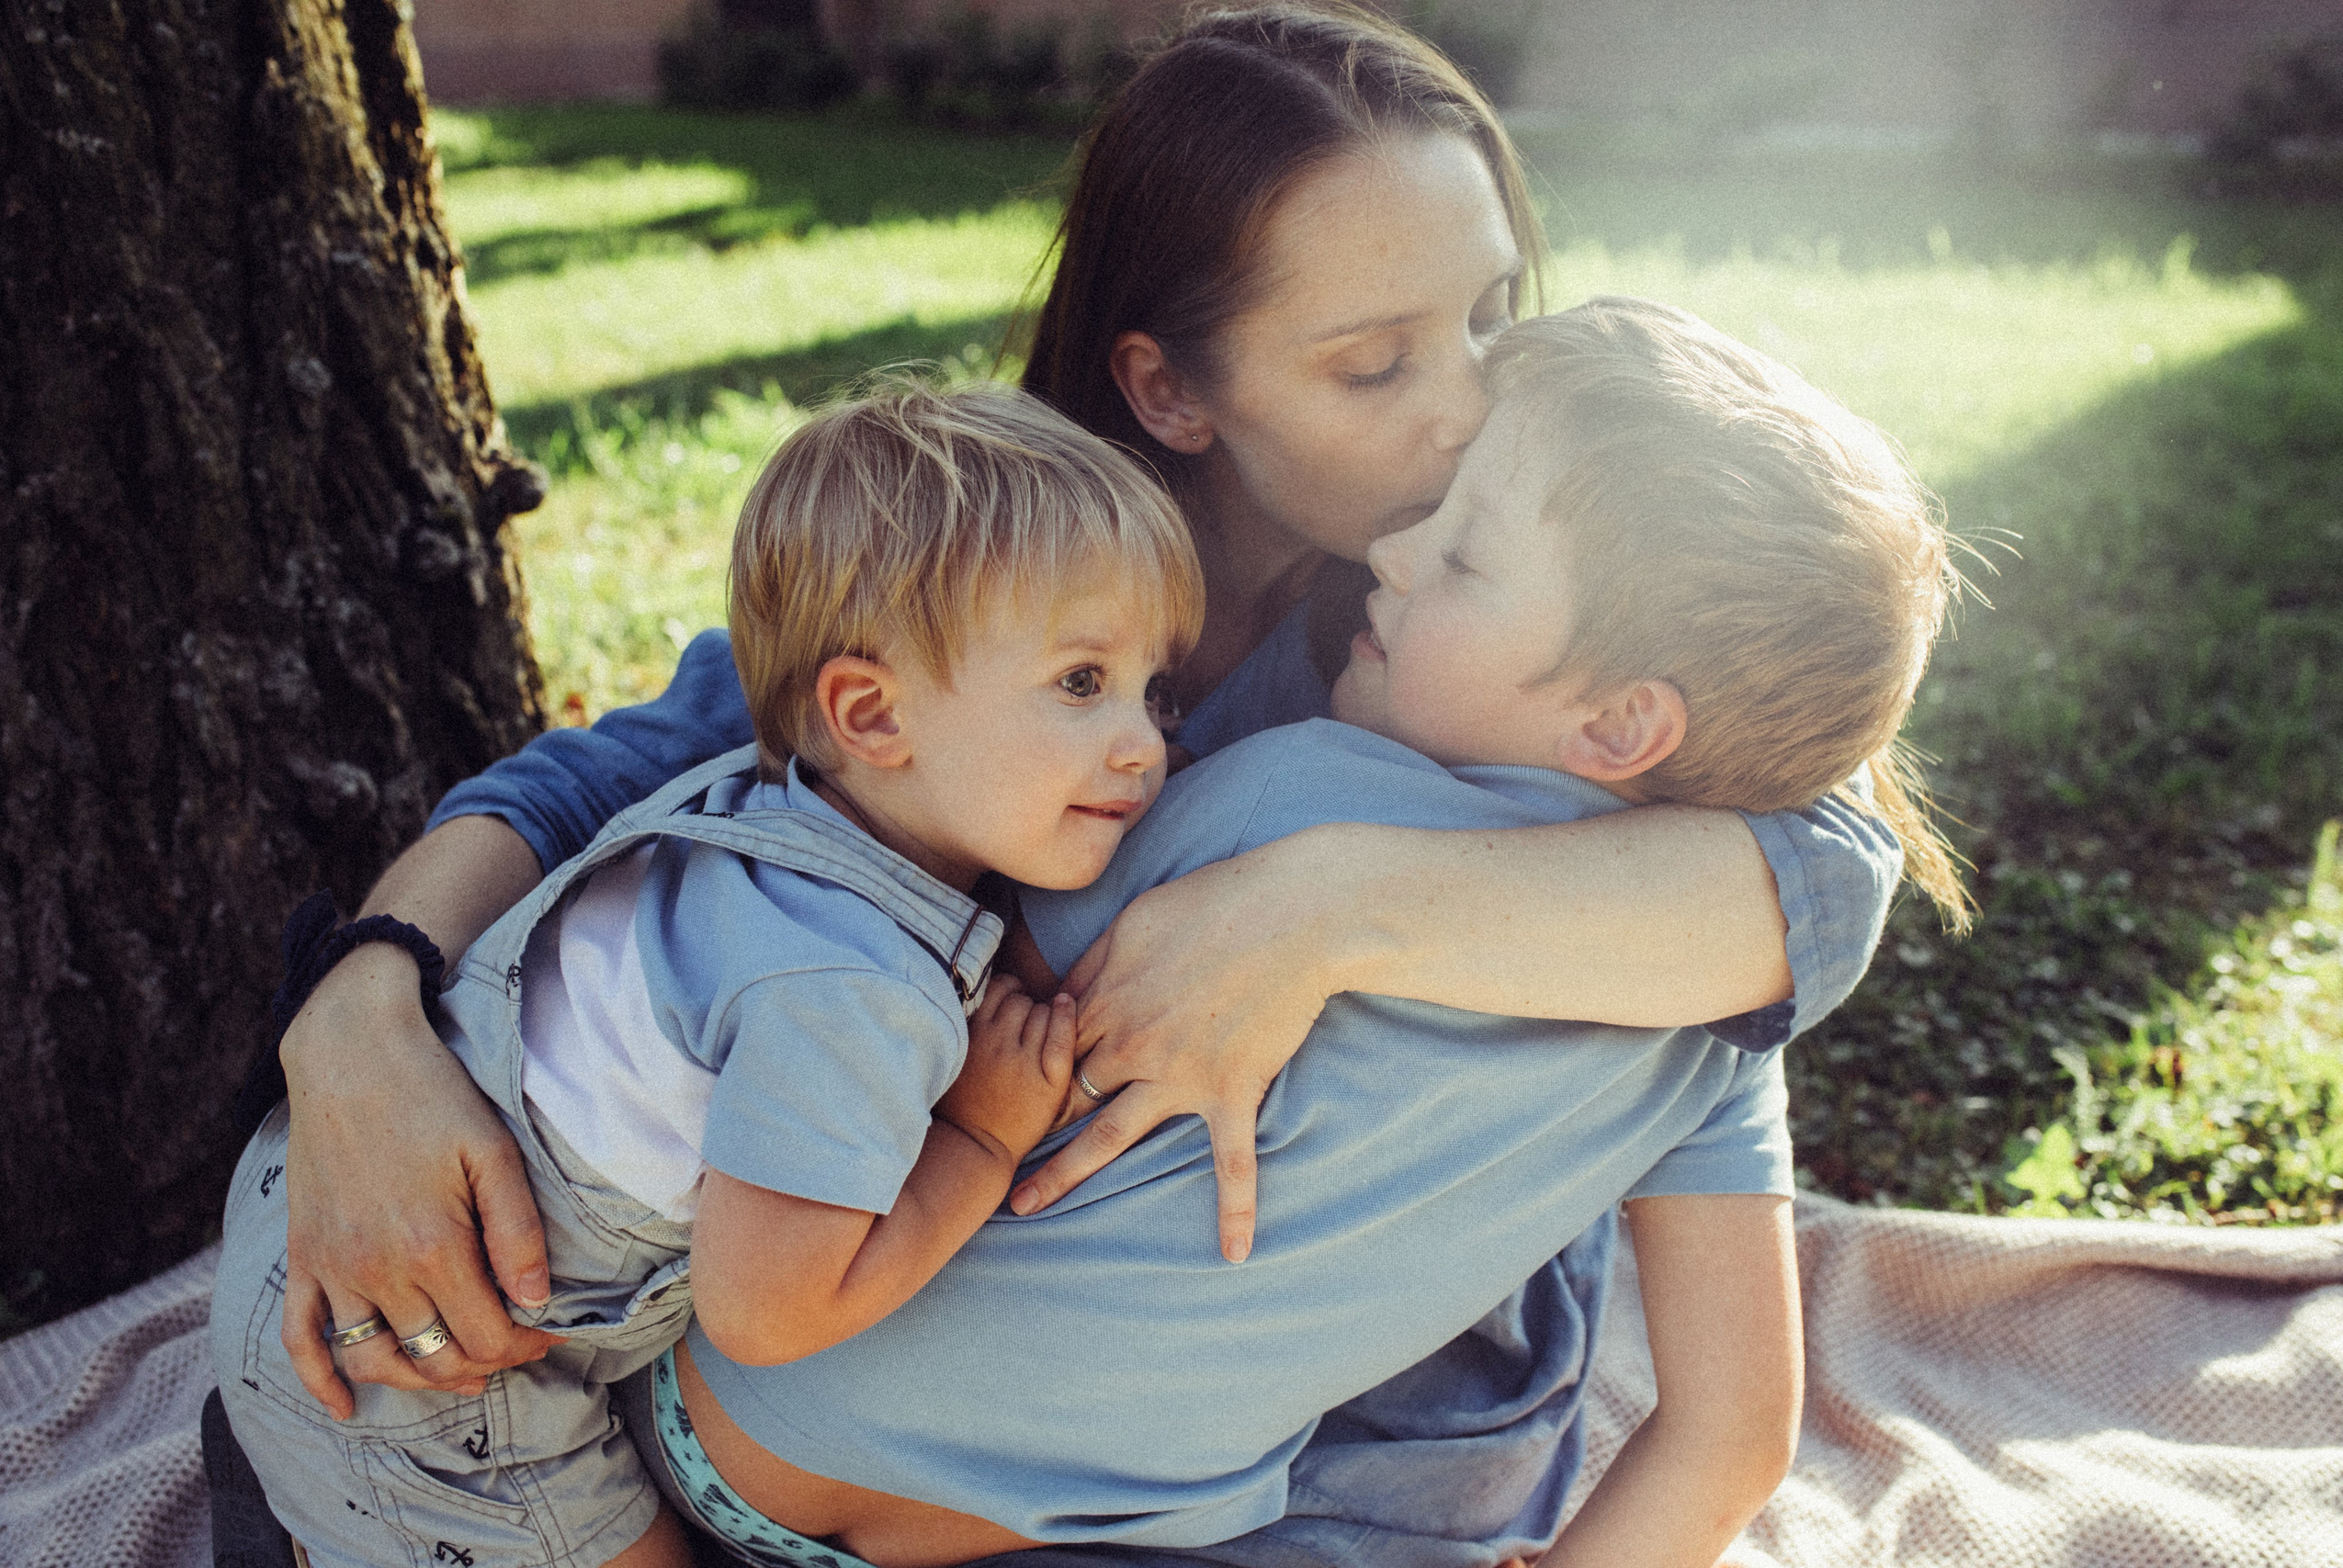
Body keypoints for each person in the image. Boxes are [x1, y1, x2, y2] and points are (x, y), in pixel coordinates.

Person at [230, 2, 1909, 1560]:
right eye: (1376, 362)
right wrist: (361, 1016)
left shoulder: (1500, 635)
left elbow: (1826, 864)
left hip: (1356, 1452)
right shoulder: (1018, 595)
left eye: (1489, 316)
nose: (1473, 405)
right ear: (1168, 387)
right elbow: (611, 781)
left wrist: (1323, 906)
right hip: (918, 1409)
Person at [649, 297, 1968, 1568]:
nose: (1392, 553)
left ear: (1622, 723)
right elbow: (1734, 1440)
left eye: (1462, 554)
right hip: (1043, 1531)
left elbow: (900, 986)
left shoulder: (1293, 795)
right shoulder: (1721, 1025)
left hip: (744, 1425)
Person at [212, 382, 1205, 1568]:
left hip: (300, 1213)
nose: (1145, 742)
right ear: (871, 714)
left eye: (1156, 690)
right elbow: (767, 1308)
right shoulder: (851, 987)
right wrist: (983, 1141)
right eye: (1082, 683)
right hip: (433, 1384)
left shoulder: (768, 808)